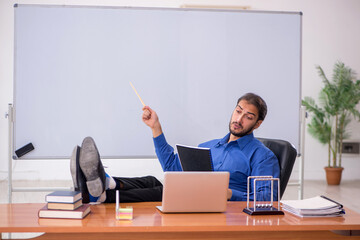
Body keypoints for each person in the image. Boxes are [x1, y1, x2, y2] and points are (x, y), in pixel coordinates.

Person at [70, 92, 280, 203]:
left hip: (223, 209)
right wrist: (155, 128)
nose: (239, 119)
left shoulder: (262, 156)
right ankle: (106, 183)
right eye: (238, 111)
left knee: (165, 191)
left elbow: (267, 198)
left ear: (257, 123)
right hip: (197, 198)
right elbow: (172, 167)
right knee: (154, 181)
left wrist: (228, 193)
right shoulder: (209, 147)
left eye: (248, 116)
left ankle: (101, 192)